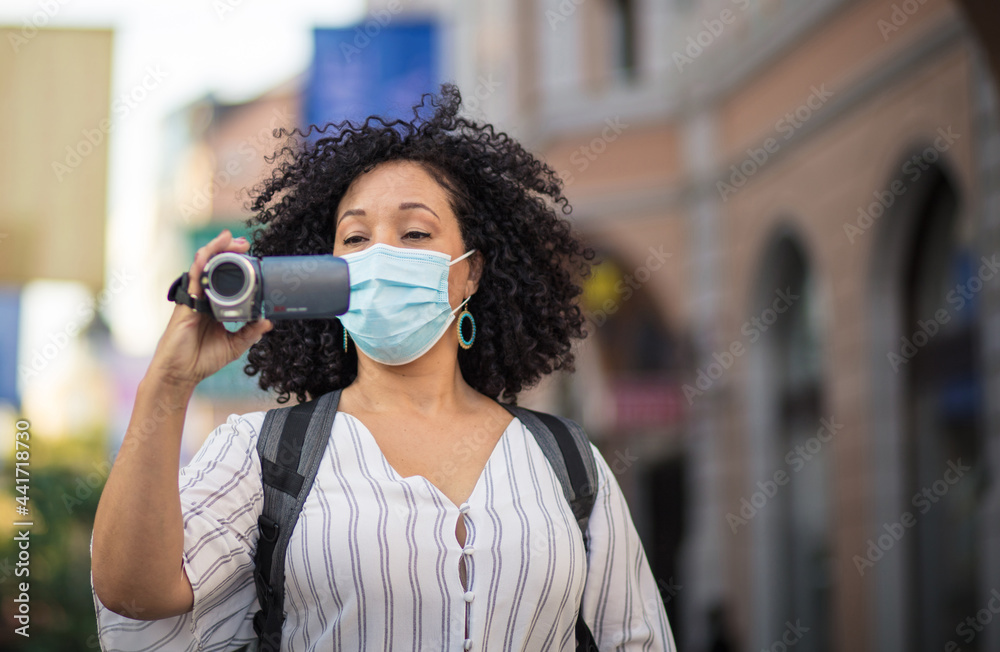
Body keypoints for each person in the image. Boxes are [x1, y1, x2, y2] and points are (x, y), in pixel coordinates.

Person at [90, 84, 675, 651]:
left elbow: (636, 639)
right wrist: (168, 385)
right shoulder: (264, 454)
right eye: (356, 238)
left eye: (415, 232)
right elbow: (134, 592)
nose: (381, 256)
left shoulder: (568, 462)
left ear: (470, 273)